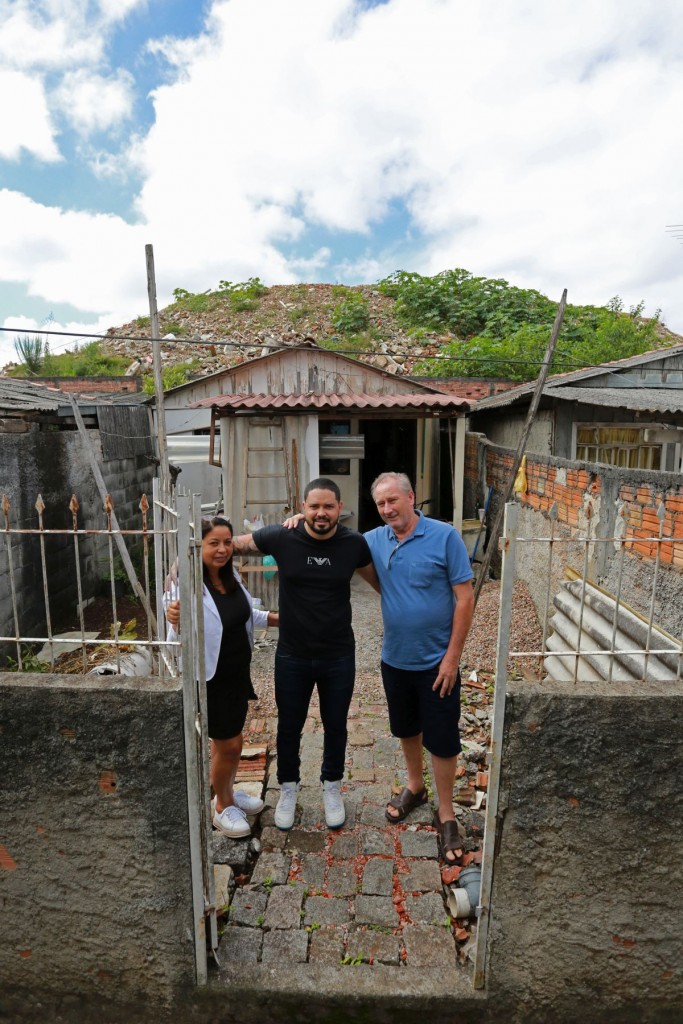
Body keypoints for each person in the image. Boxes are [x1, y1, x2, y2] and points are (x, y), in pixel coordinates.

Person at [232, 478, 373, 831]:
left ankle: (331, 786)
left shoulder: (354, 544)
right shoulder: (282, 536)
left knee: (336, 724)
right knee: (289, 726)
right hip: (292, 654)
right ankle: (289, 788)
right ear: (303, 507)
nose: (321, 513)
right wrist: (184, 557)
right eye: (314, 506)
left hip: (338, 654)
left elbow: (384, 583)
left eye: (328, 506)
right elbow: (229, 546)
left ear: (340, 508)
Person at [365, 472, 474, 864]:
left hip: (436, 662)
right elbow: (332, 545)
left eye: (394, 500)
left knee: (443, 738)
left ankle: (446, 814)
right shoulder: (374, 541)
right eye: (381, 504)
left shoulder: (445, 537)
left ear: (411, 497)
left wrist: (452, 658)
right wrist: (298, 520)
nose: (388, 509)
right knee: (406, 727)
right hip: (395, 658)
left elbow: (465, 598)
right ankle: (415, 786)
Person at [165, 516, 278, 839]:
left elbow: (245, 614)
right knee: (228, 744)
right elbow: (172, 639)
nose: (223, 549)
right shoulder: (183, 585)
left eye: (227, 542)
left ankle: (226, 792)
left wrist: (277, 619)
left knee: (231, 742)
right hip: (209, 678)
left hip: (236, 673)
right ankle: (221, 807)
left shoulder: (230, 578)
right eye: (213, 543)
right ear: (197, 546)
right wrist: (175, 621)